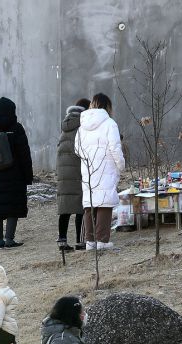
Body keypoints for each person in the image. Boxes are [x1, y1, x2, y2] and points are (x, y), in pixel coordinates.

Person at [75, 93, 125, 250]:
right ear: (107, 106)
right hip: (106, 167)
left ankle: (90, 241)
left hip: (88, 167)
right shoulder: (110, 124)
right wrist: (121, 165)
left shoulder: (82, 125)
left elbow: (77, 149)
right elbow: (115, 148)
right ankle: (102, 241)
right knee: (105, 202)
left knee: (89, 204)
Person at [0, 97, 34, 249]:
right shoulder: (17, 128)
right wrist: (28, 176)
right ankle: (9, 239)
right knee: (13, 205)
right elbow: (24, 154)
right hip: (15, 174)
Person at [56, 98, 91, 251]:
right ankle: (80, 241)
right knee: (80, 207)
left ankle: (62, 241)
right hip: (77, 170)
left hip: (63, 172)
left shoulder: (65, 127)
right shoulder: (82, 127)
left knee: (65, 207)